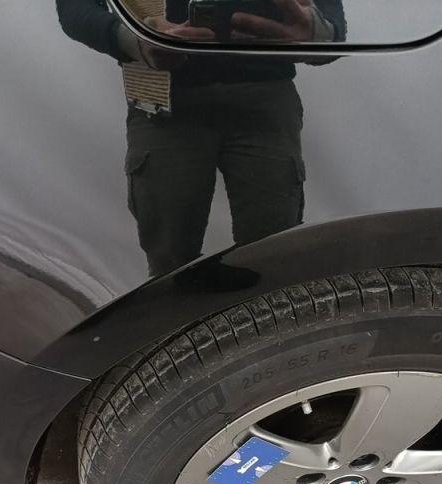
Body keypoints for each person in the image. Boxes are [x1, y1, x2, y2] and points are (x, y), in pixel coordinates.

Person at [57, 0, 346, 279]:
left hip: (233, 100)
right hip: (169, 100)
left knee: (272, 255)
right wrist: (136, 40)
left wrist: (317, 35)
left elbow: (333, 31)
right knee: (176, 261)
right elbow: (74, 9)